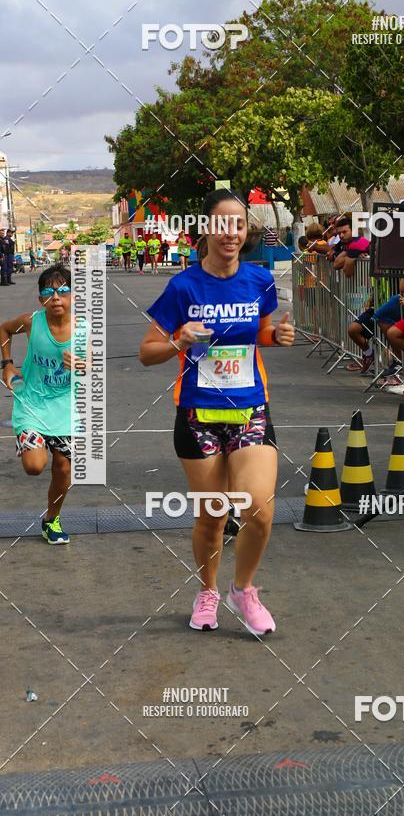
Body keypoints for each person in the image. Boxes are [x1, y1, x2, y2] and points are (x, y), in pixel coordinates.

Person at [140, 188, 294, 636]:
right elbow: (147, 352)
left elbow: (261, 334)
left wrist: (276, 338)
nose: (231, 233)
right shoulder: (183, 286)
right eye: (222, 224)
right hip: (197, 416)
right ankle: (207, 589)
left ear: (246, 233)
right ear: (206, 229)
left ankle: (242, 590)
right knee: (212, 517)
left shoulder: (258, 281)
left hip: (250, 411)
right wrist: (179, 339)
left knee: (258, 510)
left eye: (239, 224)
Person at [0, 265, 87, 544]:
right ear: (41, 299)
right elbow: (3, 330)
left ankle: (51, 520)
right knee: (35, 466)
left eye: (63, 291)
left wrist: (84, 365)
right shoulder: (31, 321)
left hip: (67, 408)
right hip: (32, 405)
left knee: (63, 469)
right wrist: (7, 364)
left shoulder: (85, 330)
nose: (57, 298)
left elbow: (94, 365)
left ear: (73, 296)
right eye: (49, 292)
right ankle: (35, 445)